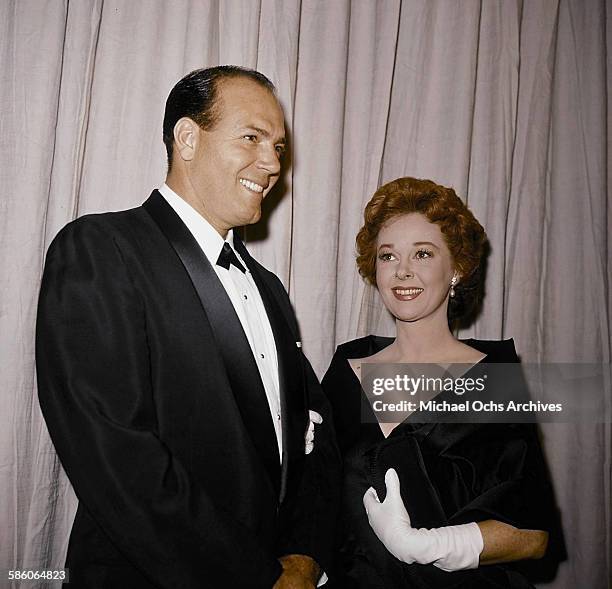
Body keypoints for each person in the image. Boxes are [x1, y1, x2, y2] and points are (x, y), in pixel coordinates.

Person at [36, 66, 340, 589]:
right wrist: (257, 576)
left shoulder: (267, 285)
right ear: (187, 138)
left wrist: (303, 555)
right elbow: (117, 455)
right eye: (252, 138)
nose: (271, 165)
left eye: (279, 148)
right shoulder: (100, 248)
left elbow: (312, 435)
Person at [322, 177, 559, 588]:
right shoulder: (346, 370)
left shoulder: (492, 378)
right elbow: (316, 496)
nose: (402, 271)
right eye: (388, 256)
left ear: (458, 268)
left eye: (423, 254)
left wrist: (421, 545)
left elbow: (532, 536)